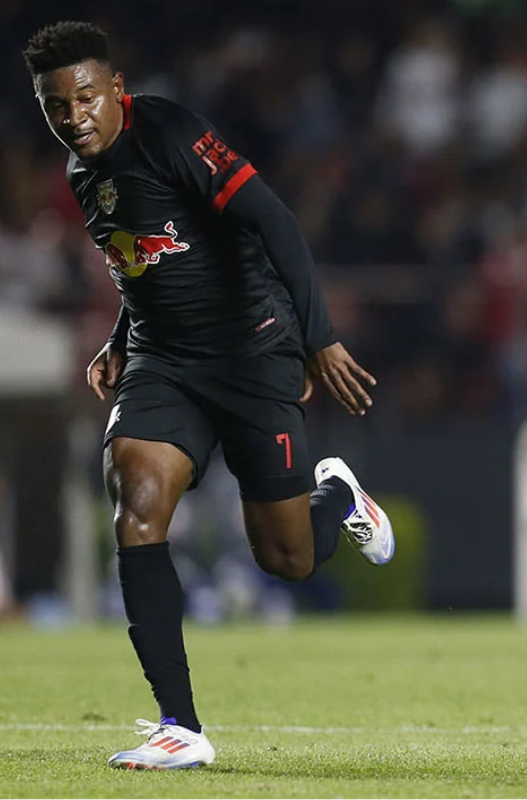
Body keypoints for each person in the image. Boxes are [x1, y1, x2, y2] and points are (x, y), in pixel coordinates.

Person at [23, 21, 396, 768]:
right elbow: (147, 263)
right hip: (166, 363)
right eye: (55, 106)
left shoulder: (172, 134)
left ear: (117, 91)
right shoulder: (80, 174)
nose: (74, 118)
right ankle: (180, 726)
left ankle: (340, 502)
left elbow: (275, 223)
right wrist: (123, 341)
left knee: (285, 558)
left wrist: (318, 339)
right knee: (137, 500)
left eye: (86, 98)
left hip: (254, 348)